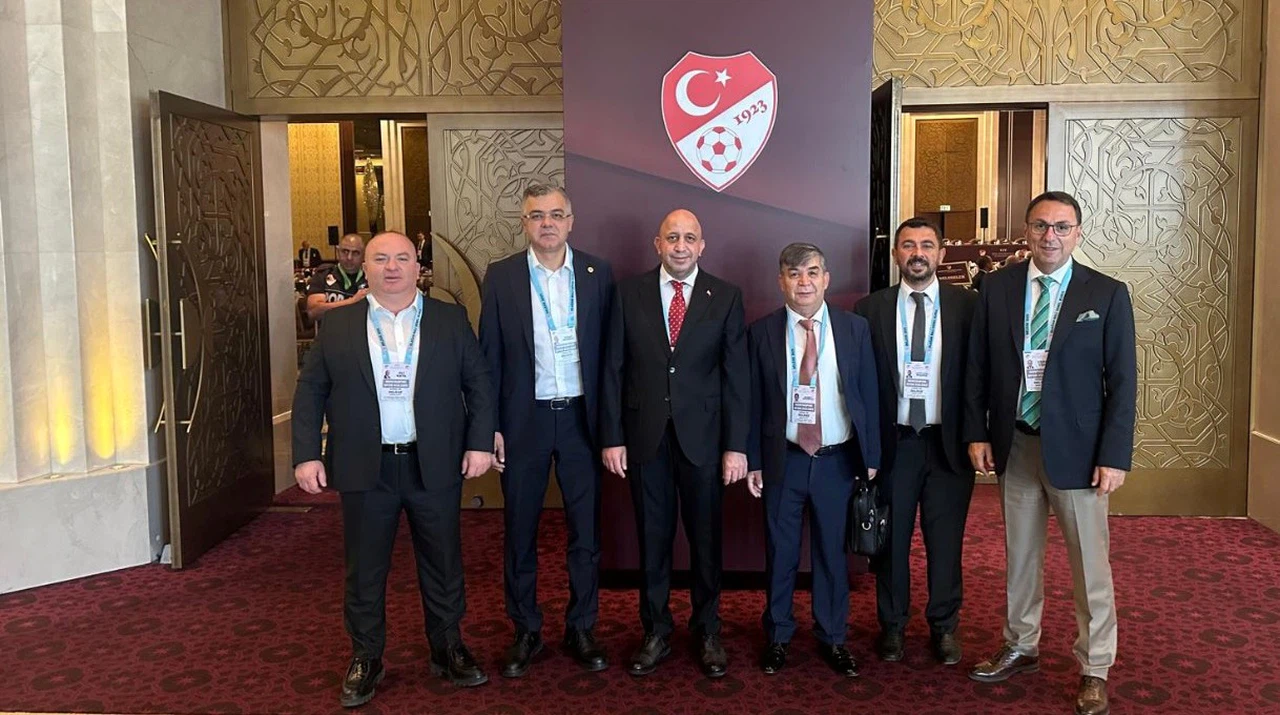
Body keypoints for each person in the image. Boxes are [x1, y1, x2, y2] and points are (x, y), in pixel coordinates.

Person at [291, 231, 496, 708]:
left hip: (434, 462)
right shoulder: (340, 325)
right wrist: (306, 453)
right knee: (365, 568)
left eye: (402, 258)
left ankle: (447, 647)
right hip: (367, 466)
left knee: (443, 562)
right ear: (365, 267)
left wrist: (480, 443)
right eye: (380, 258)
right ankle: (366, 656)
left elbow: (479, 384)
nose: (392, 267)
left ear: (416, 267)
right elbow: (311, 391)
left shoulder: (448, 319)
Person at [965, 192, 1136, 715]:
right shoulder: (997, 287)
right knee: (1020, 556)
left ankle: (1095, 666)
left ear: (1078, 233)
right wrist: (978, 433)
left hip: (1081, 454)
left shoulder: (1105, 293)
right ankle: (1021, 644)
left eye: (1062, 227)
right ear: (1027, 230)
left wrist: (1114, 455)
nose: (1050, 236)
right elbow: (977, 366)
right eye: (1041, 226)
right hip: (1016, 443)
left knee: (1090, 566)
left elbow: (1123, 381)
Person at [600, 209, 749, 679]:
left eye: (689, 238)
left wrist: (736, 446)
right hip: (645, 439)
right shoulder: (628, 293)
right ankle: (656, 631)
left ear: (702, 245)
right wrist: (612, 437)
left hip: (704, 440)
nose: (680, 246)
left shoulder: (725, 296)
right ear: (657, 244)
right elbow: (613, 369)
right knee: (653, 539)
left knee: (706, 541)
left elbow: (736, 377)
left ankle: (707, 630)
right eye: (672, 238)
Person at [478, 184, 615, 677]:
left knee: (586, 533)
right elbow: (488, 357)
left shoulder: (598, 274)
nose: (547, 223)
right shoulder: (502, 276)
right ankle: (526, 630)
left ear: (571, 221)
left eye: (556, 214)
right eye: (537, 215)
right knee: (520, 530)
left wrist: (611, 429)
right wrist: (489, 427)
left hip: (582, 420)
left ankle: (582, 627)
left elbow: (612, 360)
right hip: (524, 421)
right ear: (524, 223)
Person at [745, 243, 880, 678]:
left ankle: (833, 636)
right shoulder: (761, 332)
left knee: (830, 554)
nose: (804, 282)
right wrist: (753, 460)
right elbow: (751, 402)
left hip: (836, 461)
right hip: (782, 461)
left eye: (812, 272)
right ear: (780, 281)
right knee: (780, 552)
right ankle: (778, 635)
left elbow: (869, 393)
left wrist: (871, 455)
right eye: (794, 274)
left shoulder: (854, 328)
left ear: (826, 278)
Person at [853, 218, 978, 665]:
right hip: (895, 445)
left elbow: (978, 376)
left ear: (942, 254)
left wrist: (979, 435)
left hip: (949, 445)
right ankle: (892, 624)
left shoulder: (968, 306)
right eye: (908, 245)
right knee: (892, 541)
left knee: (946, 542)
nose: (918, 253)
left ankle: (944, 626)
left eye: (927, 245)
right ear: (896, 255)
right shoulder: (870, 309)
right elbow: (860, 384)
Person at [307, 233, 369, 323]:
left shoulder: (371, 278)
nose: (349, 257)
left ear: (364, 255)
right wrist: (352, 301)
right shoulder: (324, 274)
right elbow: (313, 312)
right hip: (331, 330)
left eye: (355, 253)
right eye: (345, 251)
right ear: (338, 251)